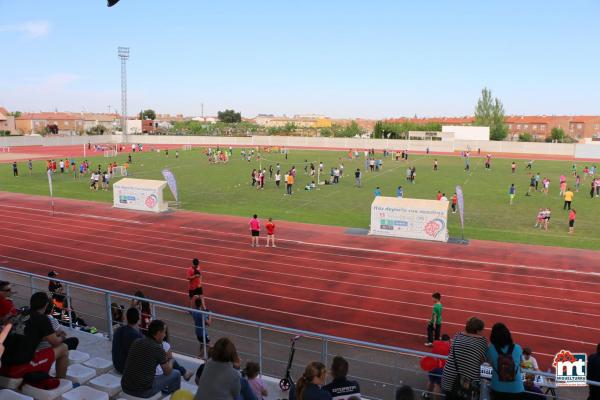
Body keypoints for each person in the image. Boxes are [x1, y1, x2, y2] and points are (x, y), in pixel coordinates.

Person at [0, 292, 69, 380]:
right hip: (19, 367)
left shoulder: (20, 314)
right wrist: (62, 336)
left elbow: (27, 334)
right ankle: (61, 379)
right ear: (46, 305)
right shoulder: (43, 318)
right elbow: (55, 343)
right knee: (64, 347)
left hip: (4, 364)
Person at [121, 320, 181, 397]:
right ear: (159, 333)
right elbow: (167, 372)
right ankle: (167, 397)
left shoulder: (137, 341)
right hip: (143, 391)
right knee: (176, 374)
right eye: (164, 332)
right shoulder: (158, 349)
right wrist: (171, 360)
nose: (165, 335)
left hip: (125, 387)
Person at [441, 317, 488, 400]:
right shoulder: (482, 341)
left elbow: (452, 352)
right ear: (477, 331)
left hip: (449, 377)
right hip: (468, 382)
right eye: (481, 330)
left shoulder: (457, 335)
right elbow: (482, 361)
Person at [487, 322, 524, 399]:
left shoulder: (491, 348)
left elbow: (490, 363)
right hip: (516, 388)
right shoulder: (517, 347)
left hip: (497, 387)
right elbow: (521, 363)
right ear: (508, 335)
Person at [112, 307, 143, 374]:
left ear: (126, 317)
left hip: (117, 365)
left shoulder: (118, 330)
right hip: (127, 369)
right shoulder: (138, 336)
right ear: (138, 319)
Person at [423, 334, 451, 400]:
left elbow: (430, 345)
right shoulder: (449, 346)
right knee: (437, 385)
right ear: (448, 340)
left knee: (431, 381)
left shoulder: (435, 343)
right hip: (440, 368)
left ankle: (426, 394)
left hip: (432, 366)